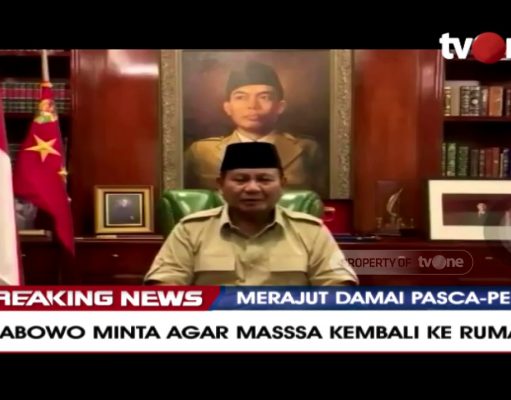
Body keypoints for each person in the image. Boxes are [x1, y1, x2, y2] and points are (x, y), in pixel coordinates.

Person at [144, 142, 358, 286]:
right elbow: (165, 286)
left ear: (282, 184)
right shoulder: (190, 230)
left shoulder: (311, 231)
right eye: (240, 180)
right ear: (220, 184)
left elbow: (337, 285)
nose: (253, 188)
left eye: (264, 179)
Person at [183, 60, 327, 197]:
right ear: (227, 107)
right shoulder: (201, 153)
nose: (252, 105)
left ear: (280, 106)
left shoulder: (306, 150)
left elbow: (321, 202)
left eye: (264, 97)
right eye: (241, 97)